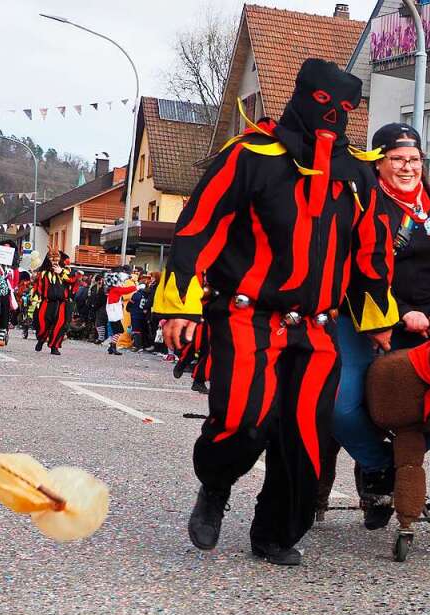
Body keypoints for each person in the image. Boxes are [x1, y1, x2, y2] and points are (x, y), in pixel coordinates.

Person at [156, 59, 397, 566]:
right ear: (302, 96)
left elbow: (371, 253)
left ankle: (275, 532)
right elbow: (199, 227)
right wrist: (179, 306)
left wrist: (377, 322)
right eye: (325, 105)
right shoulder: (248, 156)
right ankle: (216, 486)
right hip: (248, 317)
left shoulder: (356, 174)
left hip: (319, 327)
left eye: (346, 110)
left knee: (306, 437)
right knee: (245, 419)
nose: (333, 116)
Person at [330, 121, 430, 527]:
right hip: (369, 318)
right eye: (397, 159)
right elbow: (357, 267)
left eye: (414, 159)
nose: (408, 167)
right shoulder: (363, 200)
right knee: (341, 407)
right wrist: (402, 309)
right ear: (378, 163)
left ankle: (392, 468)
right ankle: (378, 467)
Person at [32, 253, 71, 355]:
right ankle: (41, 339)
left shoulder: (66, 272)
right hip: (46, 302)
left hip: (61, 303)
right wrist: (36, 300)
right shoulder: (43, 273)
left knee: (59, 325)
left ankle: (54, 346)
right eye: (52, 259)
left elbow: (73, 281)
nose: (55, 261)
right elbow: (38, 287)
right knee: (42, 324)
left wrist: (61, 272)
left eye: (57, 259)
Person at [105, 272, 136, 356]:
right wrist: (136, 286)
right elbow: (126, 290)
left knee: (116, 331)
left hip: (113, 312)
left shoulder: (112, 289)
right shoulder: (116, 289)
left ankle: (111, 346)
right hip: (114, 313)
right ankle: (113, 346)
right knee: (119, 331)